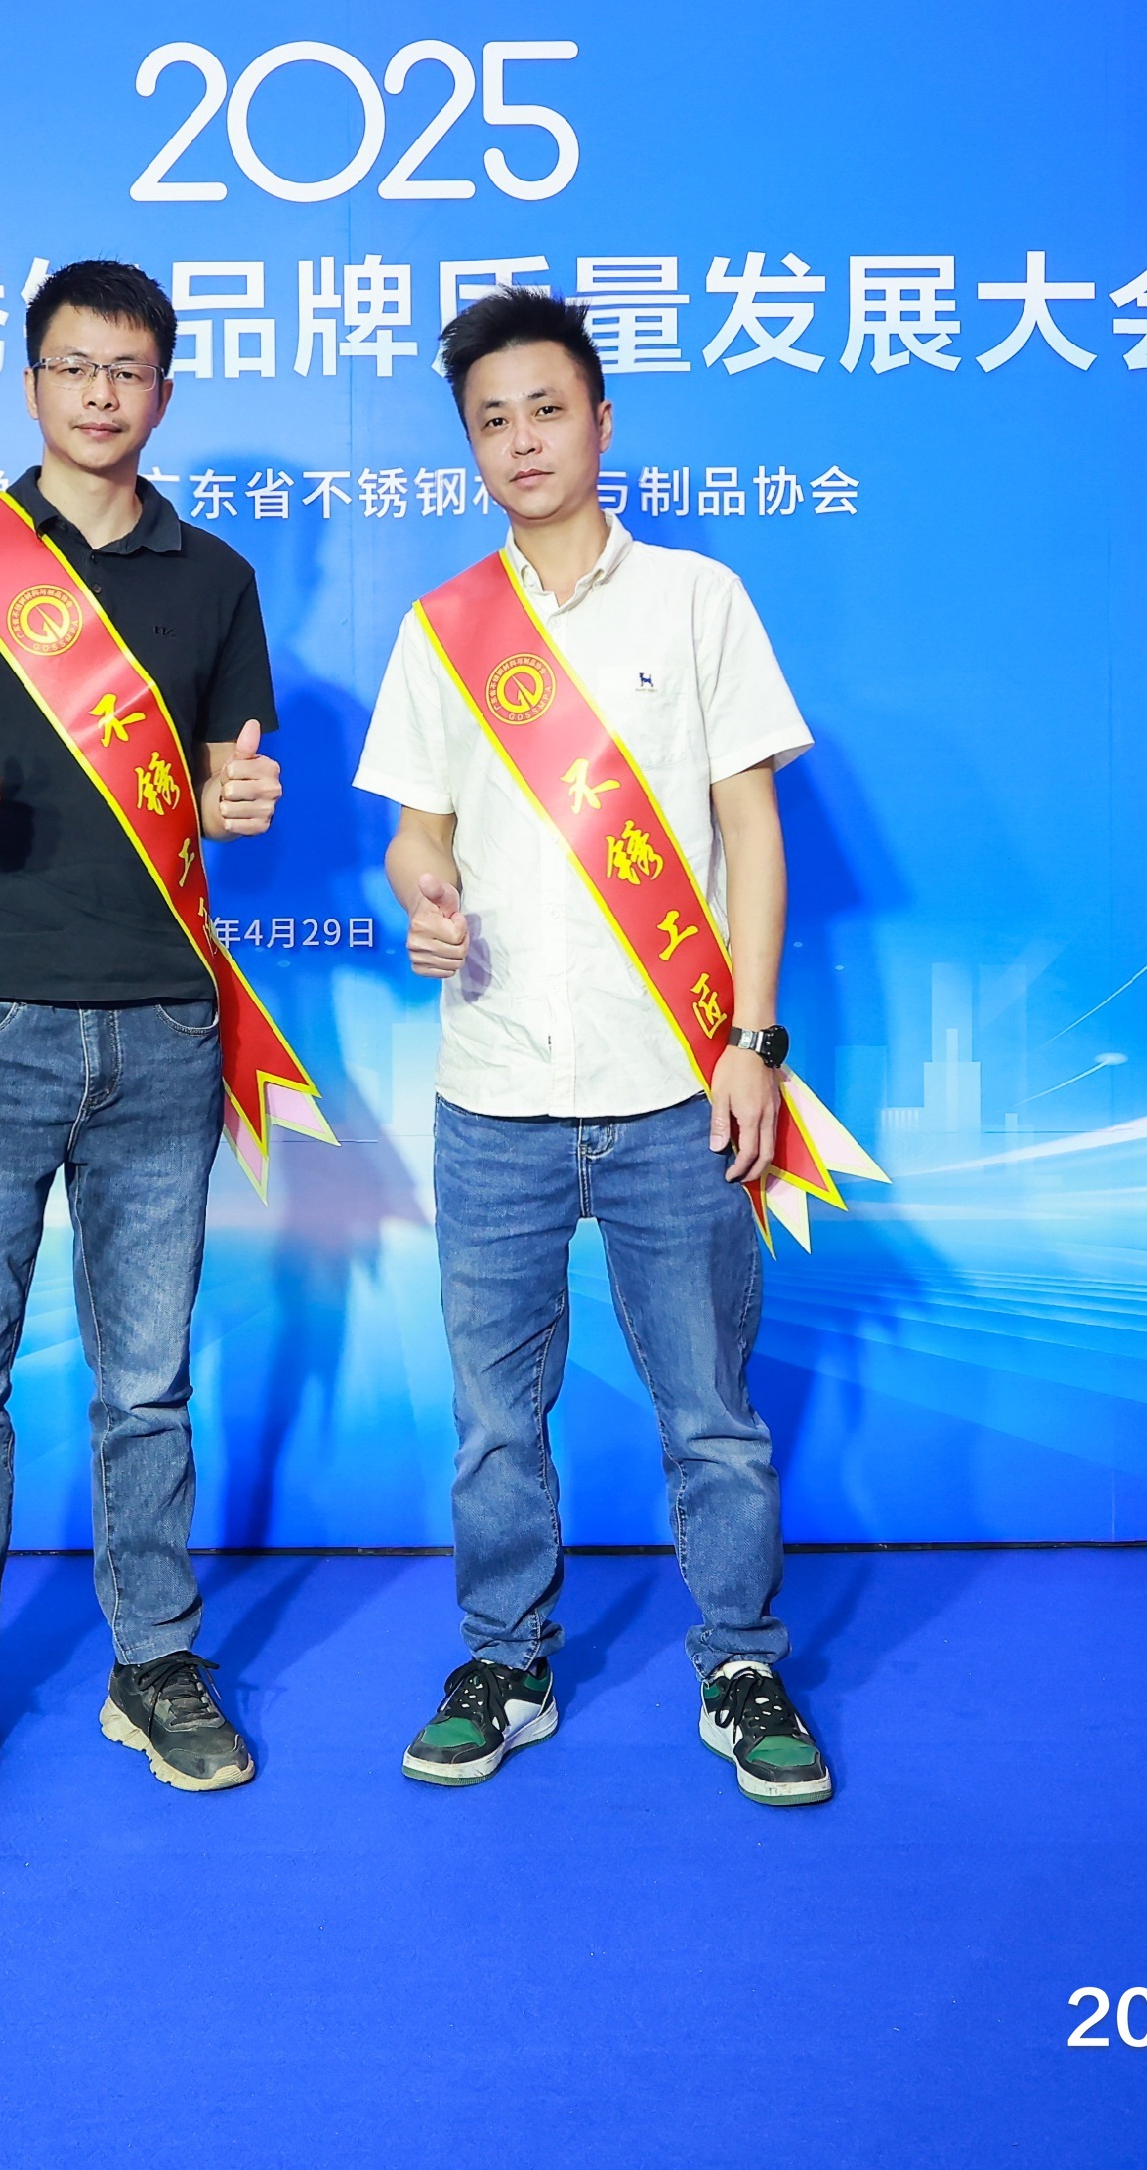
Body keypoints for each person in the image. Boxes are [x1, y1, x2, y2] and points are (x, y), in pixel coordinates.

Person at [353, 288, 835, 1806]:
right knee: (495, 1421)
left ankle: (741, 1661)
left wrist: (752, 1040)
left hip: (673, 1087)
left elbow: (753, 834)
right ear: (470, 445)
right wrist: (421, 888)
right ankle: (505, 1662)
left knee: (711, 1415)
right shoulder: (444, 631)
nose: (522, 441)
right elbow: (415, 829)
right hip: (493, 1088)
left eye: (547, 409)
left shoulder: (698, 600)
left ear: (603, 420)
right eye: (491, 420)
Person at [0, 259, 286, 1807]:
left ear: (164, 390)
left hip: (162, 1028)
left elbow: (223, 788)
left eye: (129, 370)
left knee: (145, 1384)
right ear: (32, 381)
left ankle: (152, 1661)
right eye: (75, 366)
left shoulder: (214, 578)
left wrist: (241, 802)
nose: (102, 394)